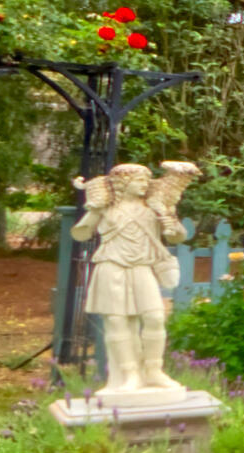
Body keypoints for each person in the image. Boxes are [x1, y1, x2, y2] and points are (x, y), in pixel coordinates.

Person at [73, 161, 199, 396]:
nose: (145, 185)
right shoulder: (106, 208)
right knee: (118, 321)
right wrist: (94, 209)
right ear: (123, 183)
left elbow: (178, 236)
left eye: (146, 180)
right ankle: (129, 374)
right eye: (139, 180)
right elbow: (80, 233)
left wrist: (171, 226)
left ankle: (153, 370)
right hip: (112, 266)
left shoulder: (153, 207)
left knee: (154, 317)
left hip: (142, 267)